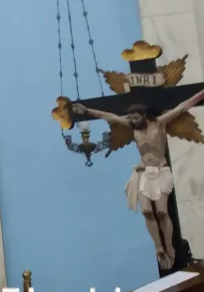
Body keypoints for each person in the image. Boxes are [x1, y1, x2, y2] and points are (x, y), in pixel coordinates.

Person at [74, 86, 204, 268]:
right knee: (147, 212)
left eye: (136, 118)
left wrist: (201, 94)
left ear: (144, 115)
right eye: (131, 118)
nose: (133, 121)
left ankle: (169, 246)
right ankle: (158, 248)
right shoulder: (132, 126)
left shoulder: (159, 123)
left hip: (160, 172)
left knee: (161, 212)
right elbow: (110, 116)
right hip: (142, 173)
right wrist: (87, 111)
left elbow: (181, 107)